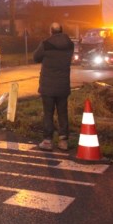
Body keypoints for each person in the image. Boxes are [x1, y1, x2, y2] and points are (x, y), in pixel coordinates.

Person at [33, 22, 74, 151]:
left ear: (51, 31)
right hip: (63, 85)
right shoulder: (69, 44)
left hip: (48, 86)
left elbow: (36, 57)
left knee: (48, 113)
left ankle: (47, 141)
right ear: (61, 30)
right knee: (63, 113)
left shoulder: (46, 44)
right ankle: (63, 141)